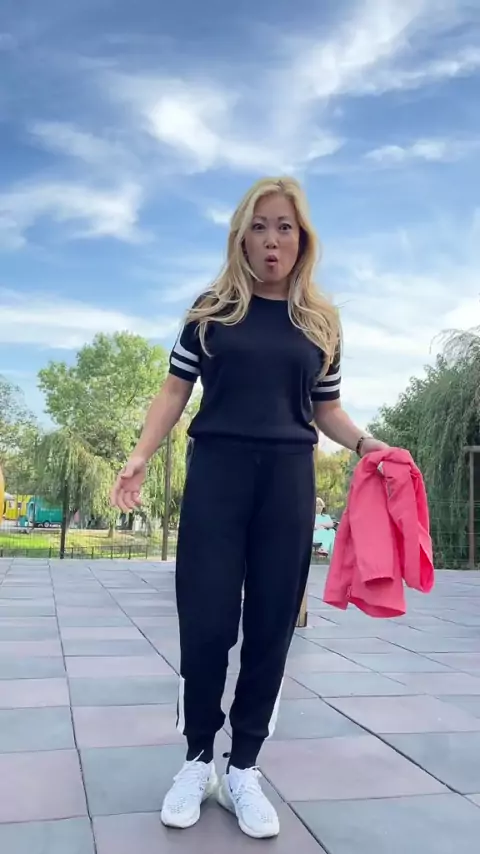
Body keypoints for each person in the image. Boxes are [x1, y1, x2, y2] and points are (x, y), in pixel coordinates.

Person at [111, 176, 387, 839]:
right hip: (218, 475)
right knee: (207, 624)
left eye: (284, 227)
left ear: (302, 239)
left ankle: (244, 768)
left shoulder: (320, 322)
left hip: (288, 481)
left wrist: (365, 443)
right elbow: (174, 391)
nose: (271, 239)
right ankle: (197, 760)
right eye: (259, 226)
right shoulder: (211, 311)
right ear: (240, 237)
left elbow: (326, 408)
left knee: (271, 627)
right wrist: (141, 454)